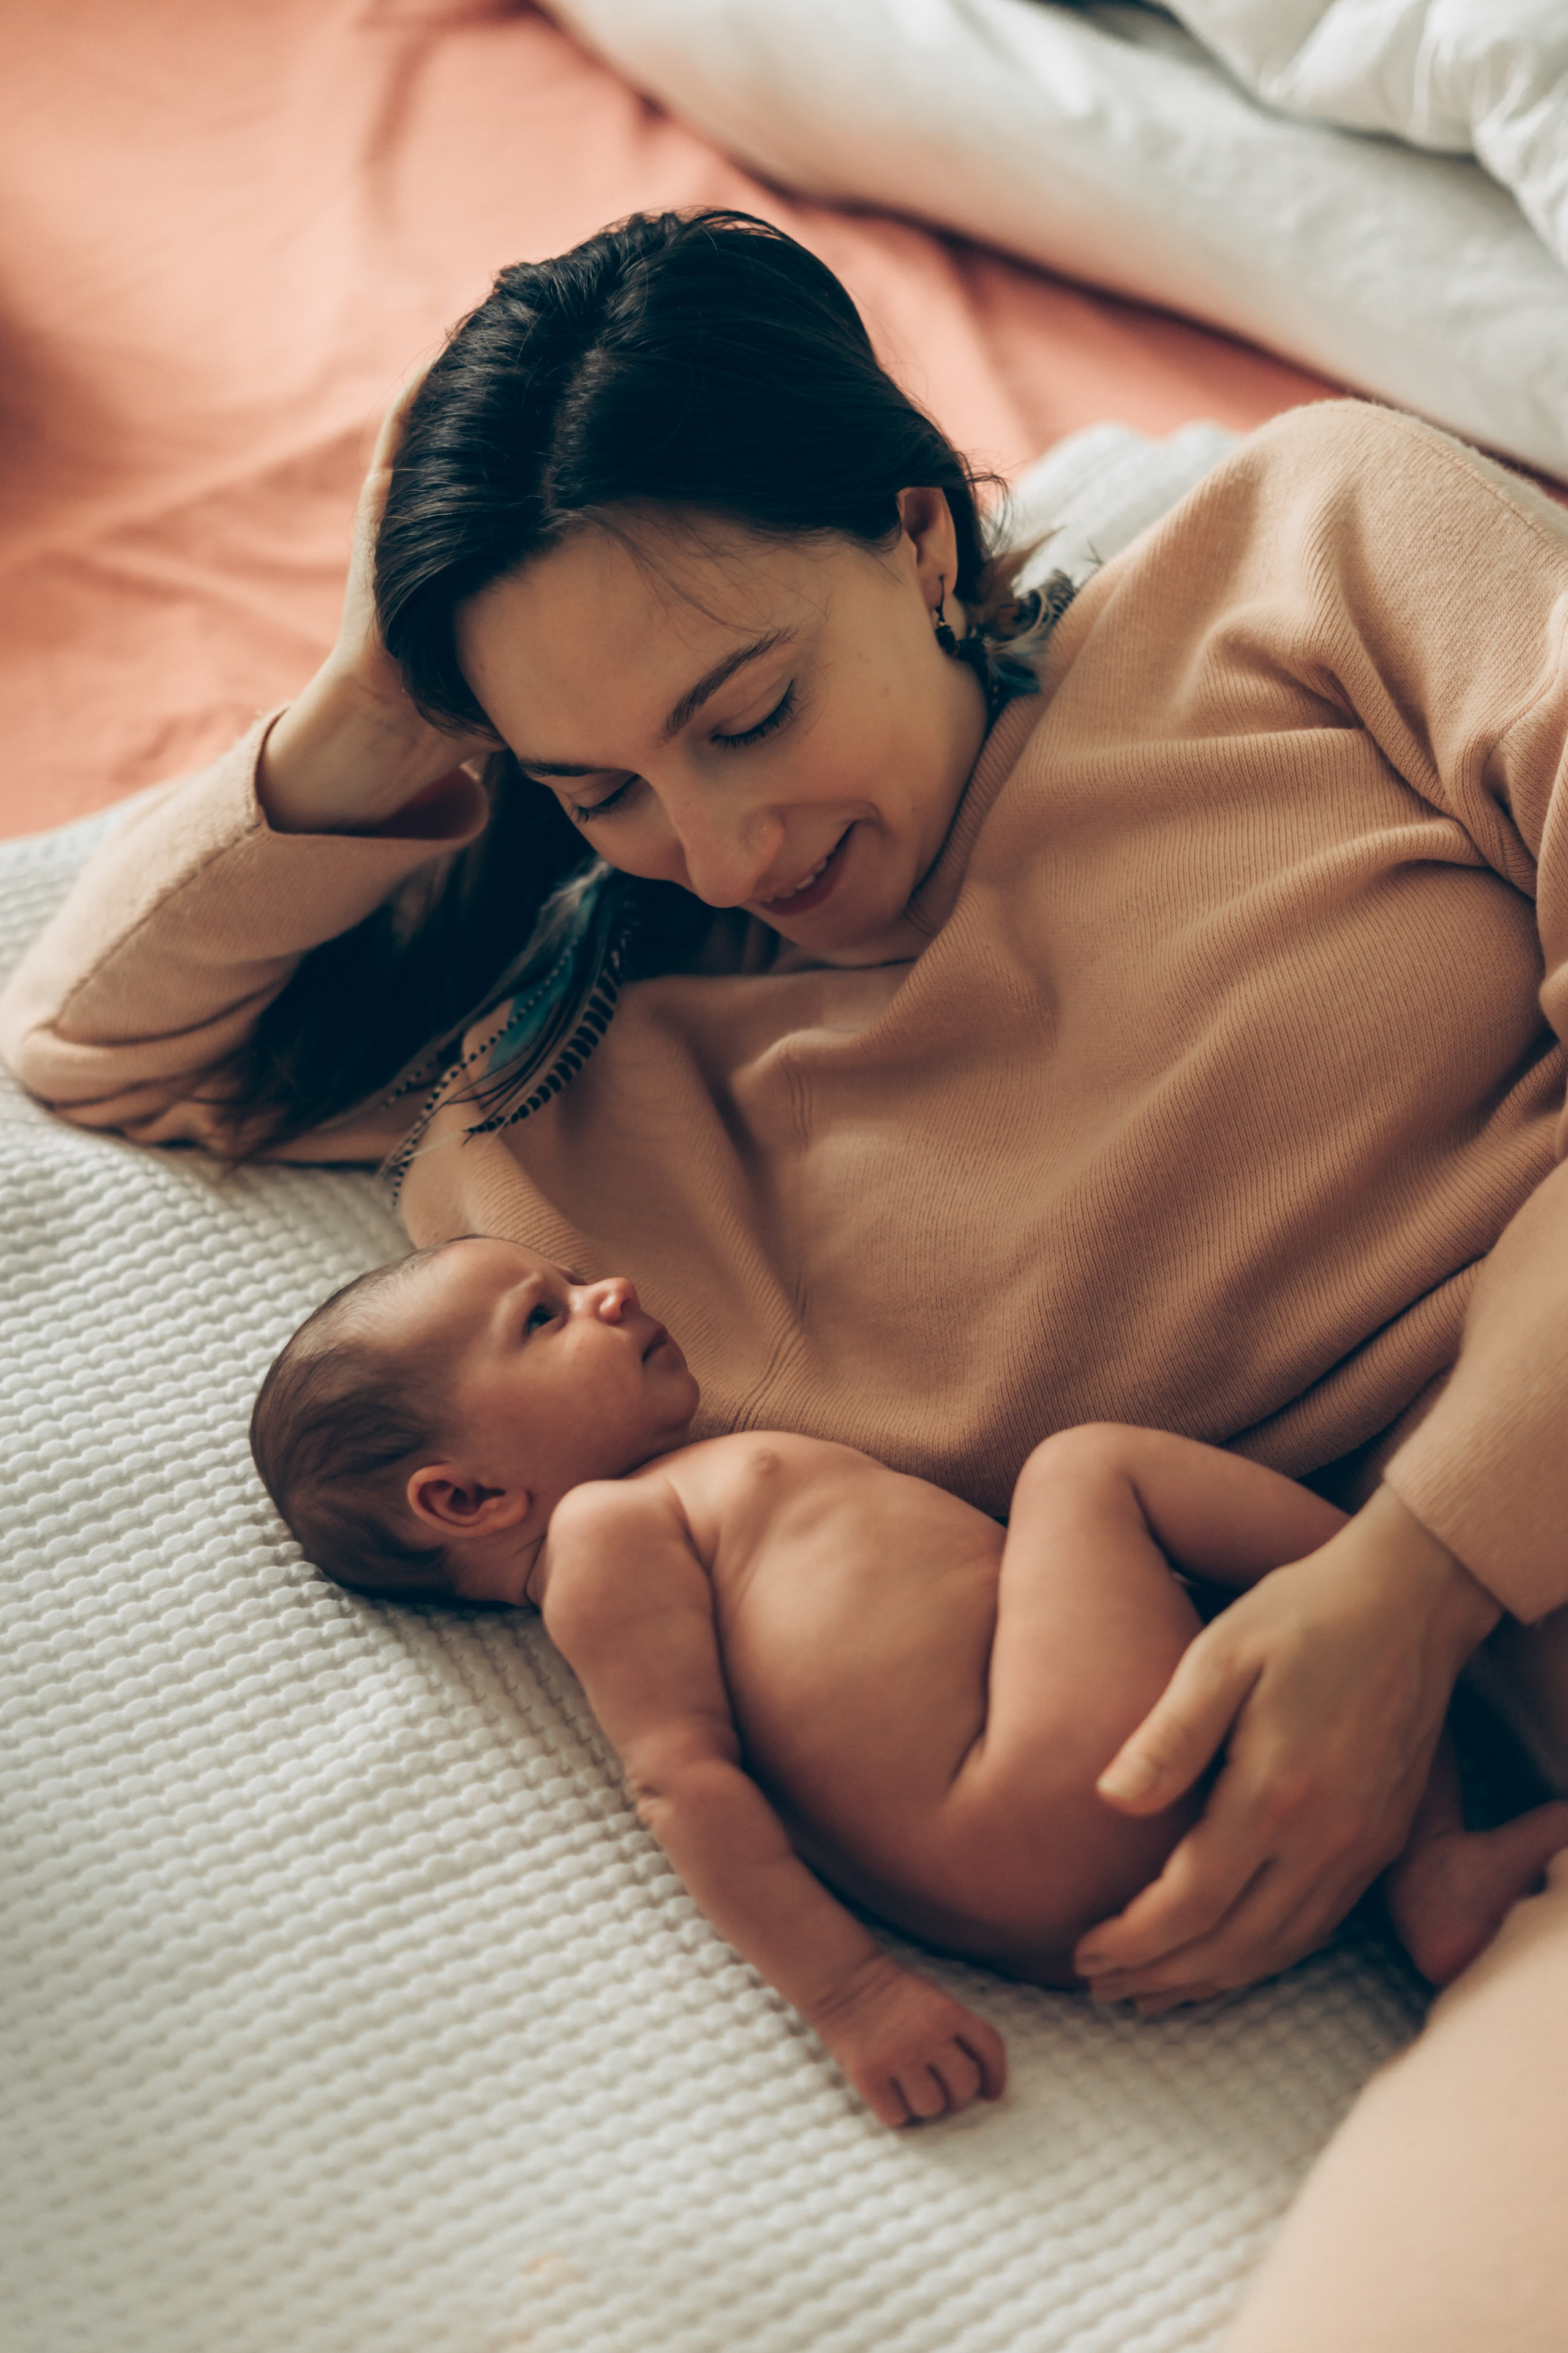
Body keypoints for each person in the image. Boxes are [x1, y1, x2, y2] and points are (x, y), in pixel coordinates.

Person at [6, 205, 1568, 2341]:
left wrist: (1419, 1579)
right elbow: (91, 1040)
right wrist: (382, 701)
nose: (725, 846)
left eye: (747, 712)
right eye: (599, 786)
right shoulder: (577, 1136)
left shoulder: (1312, 547)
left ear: (921, 540)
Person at [249, 1233, 1568, 2128]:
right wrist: (851, 1994)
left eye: (572, 1277)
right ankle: (1415, 1600)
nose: (610, 1290)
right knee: (1081, 1469)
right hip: (1026, 1783)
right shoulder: (602, 1533)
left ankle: (1426, 1871)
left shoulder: (667, 1504)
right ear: (469, 1496)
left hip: (1050, 1881)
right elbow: (682, 1780)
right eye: (540, 1316)